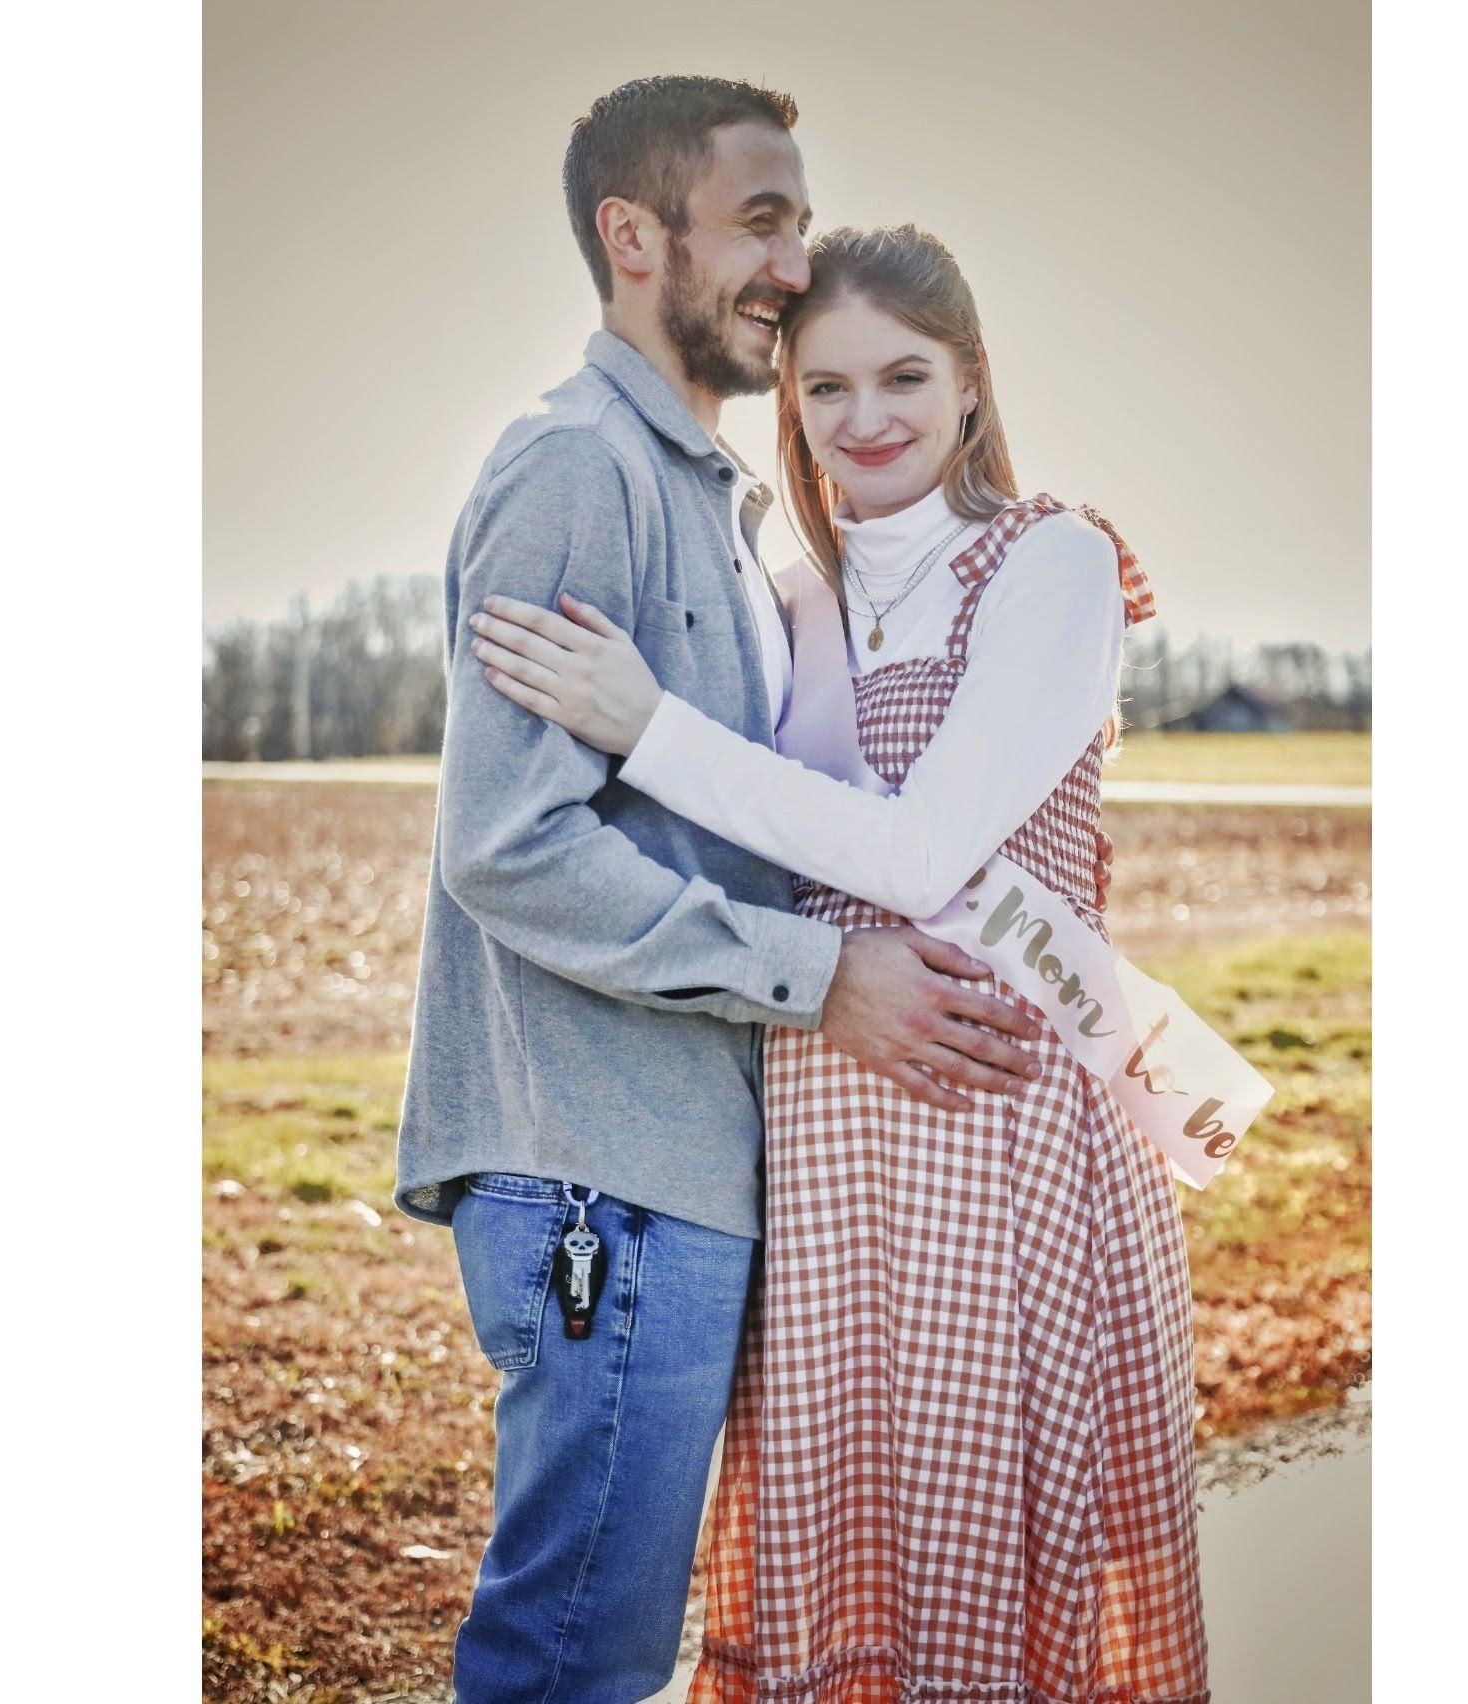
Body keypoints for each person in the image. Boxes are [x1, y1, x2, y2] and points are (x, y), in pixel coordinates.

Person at [395, 78, 1112, 1704]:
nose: (791, 264)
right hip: (599, 1165)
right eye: (762, 221)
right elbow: (506, 843)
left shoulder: (725, 516)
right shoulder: (579, 470)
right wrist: (813, 974)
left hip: (693, 1171)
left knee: (621, 1646)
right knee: (575, 1657)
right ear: (634, 238)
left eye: (802, 215)